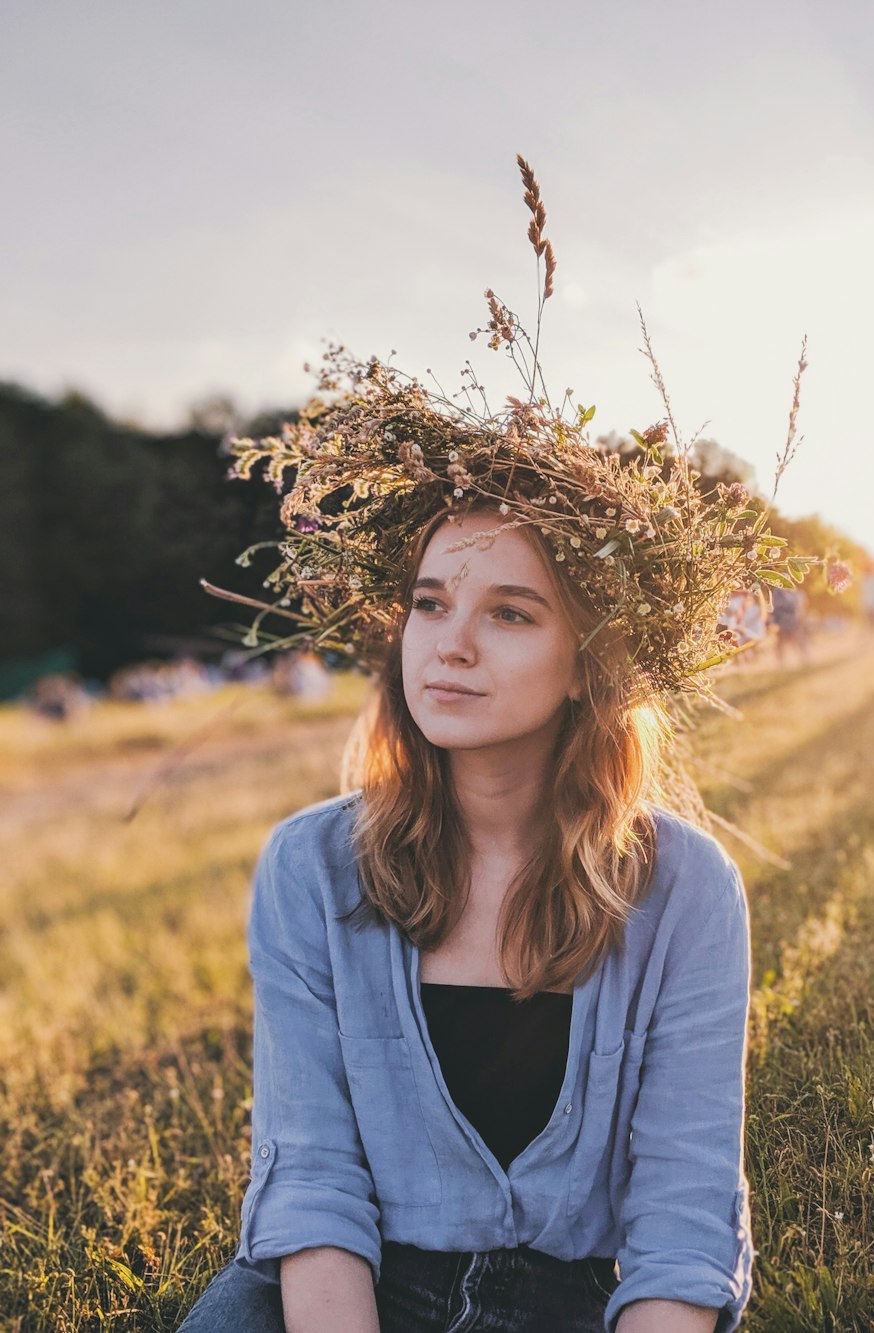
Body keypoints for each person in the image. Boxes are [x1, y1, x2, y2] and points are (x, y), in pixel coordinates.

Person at [183, 167, 786, 1331]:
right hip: (322, 1294)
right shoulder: (309, 870)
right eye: (428, 603)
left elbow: (680, 1216)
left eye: (509, 611)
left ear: (587, 660)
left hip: (559, 1303)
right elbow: (310, 1181)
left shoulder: (683, 890)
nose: (449, 645)